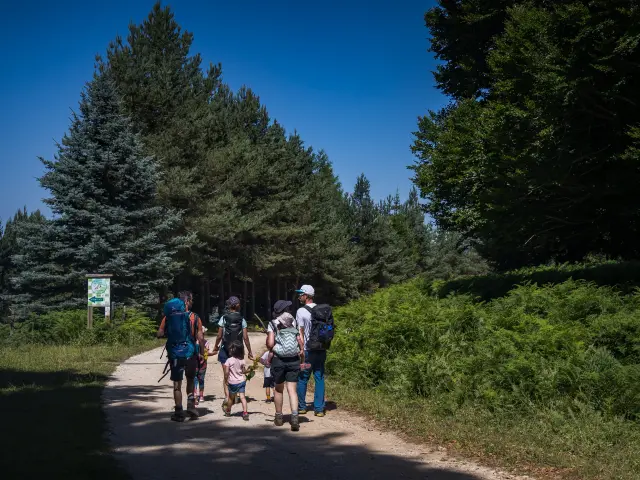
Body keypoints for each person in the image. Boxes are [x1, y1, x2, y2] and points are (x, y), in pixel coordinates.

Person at [157, 291, 205, 422]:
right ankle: (191, 406)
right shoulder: (195, 317)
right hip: (190, 353)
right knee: (190, 380)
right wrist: (202, 353)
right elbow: (200, 337)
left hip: (175, 353)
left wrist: (165, 333)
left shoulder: (168, 317)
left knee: (177, 384)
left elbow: (160, 333)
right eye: (192, 300)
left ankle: (178, 412)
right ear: (187, 301)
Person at [267, 299, 304, 431]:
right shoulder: (293, 321)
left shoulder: (272, 323)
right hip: (294, 359)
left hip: (279, 359)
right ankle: (294, 417)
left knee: (278, 389)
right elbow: (300, 340)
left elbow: (270, 344)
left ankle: (279, 417)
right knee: (292, 390)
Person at [212, 296, 254, 408]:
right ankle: (234, 396)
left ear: (228, 305)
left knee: (227, 373)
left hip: (225, 349)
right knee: (237, 373)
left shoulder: (224, 318)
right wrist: (249, 351)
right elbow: (245, 337)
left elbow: (219, 335)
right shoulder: (242, 319)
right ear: (238, 305)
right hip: (238, 350)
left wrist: (216, 346)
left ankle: (227, 397)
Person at [295, 284, 326, 417]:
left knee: (303, 377)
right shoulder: (323, 310)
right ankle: (319, 409)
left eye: (301, 294)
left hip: (307, 351)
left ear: (307, 296)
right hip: (321, 350)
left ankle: (302, 407)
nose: (299, 296)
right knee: (319, 377)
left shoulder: (301, 311)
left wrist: (301, 349)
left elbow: (300, 332)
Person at [223, 340, 250, 420]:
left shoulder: (229, 360)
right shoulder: (242, 360)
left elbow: (226, 372)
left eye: (231, 348)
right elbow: (243, 371)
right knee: (242, 397)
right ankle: (245, 413)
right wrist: (249, 370)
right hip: (242, 381)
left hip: (233, 382)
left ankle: (228, 411)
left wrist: (226, 380)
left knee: (231, 398)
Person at [194, 329, 211, 405]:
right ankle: (196, 396)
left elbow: (206, 354)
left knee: (200, 380)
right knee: (196, 380)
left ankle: (200, 395)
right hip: (197, 364)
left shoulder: (205, 342)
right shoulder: (194, 342)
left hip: (201, 365)